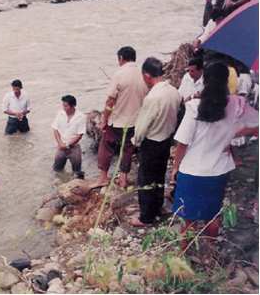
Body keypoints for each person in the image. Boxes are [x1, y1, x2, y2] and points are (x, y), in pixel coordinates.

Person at [171, 62, 258, 250]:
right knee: (213, 214)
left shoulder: (195, 106)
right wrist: (235, 134)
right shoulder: (237, 104)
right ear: (227, 80)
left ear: (205, 79)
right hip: (219, 169)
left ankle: (184, 255)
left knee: (188, 218)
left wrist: (175, 167)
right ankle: (210, 255)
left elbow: (183, 143)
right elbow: (257, 124)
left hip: (192, 170)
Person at [130, 57, 181, 227]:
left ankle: (146, 217)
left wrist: (135, 141)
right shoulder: (174, 92)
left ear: (146, 75)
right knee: (159, 176)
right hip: (166, 140)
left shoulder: (153, 97)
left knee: (145, 180)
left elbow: (142, 126)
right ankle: (157, 207)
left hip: (152, 142)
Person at [96, 46, 149, 187]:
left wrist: (104, 119)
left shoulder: (119, 74)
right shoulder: (144, 74)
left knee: (106, 146)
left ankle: (103, 178)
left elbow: (110, 101)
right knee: (127, 149)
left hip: (118, 121)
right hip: (135, 121)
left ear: (121, 58)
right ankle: (123, 179)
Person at [51, 95, 86, 179]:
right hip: (61, 146)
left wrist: (67, 145)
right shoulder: (60, 114)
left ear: (73, 106)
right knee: (56, 170)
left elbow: (79, 135)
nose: (63, 108)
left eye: (65, 106)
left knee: (77, 172)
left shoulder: (81, 117)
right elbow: (55, 129)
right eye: (63, 105)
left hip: (74, 148)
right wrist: (60, 143)